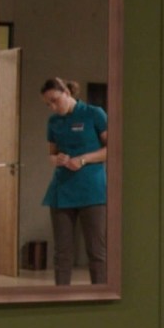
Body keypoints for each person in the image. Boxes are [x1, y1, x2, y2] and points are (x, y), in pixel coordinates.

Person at [40, 78, 108, 285]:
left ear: (67, 93)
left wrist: (83, 159)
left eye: (55, 100)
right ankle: (61, 296)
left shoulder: (94, 114)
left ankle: (100, 295)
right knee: (62, 253)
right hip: (62, 189)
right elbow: (51, 155)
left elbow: (112, 149)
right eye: (48, 104)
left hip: (92, 189)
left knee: (96, 251)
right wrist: (57, 159)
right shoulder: (53, 122)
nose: (52, 107)